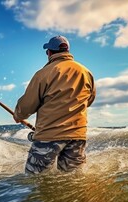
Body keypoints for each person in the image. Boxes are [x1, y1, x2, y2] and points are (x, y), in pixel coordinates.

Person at [13, 35, 96, 174]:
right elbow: (90, 99)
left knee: (33, 179)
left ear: (50, 52)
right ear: (67, 51)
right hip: (77, 136)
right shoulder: (85, 72)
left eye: (47, 52)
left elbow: (28, 104)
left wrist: (18, 115)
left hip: (48, 136)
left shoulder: (43, 74)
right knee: (73, 181)